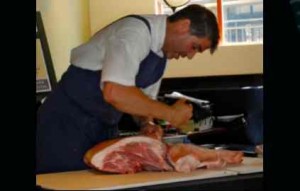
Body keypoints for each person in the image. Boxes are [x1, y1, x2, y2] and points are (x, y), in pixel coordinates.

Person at [36, 4, 220, 173]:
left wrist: (146, 124)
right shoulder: (134, 32)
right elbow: (115, 92)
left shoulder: (160, 58)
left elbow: (141, 101)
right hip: (65, 127)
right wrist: (170, 114)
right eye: (194, 47)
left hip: (104, 130)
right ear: (183, 26)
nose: (189, 55)